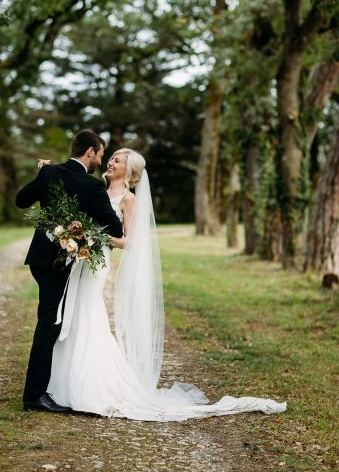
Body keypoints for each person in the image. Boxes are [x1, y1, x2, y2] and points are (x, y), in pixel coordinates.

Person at [46, 148, 287, 421]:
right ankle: (63, 382)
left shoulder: (129, 199)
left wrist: (92, 235)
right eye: (111, 158)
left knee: (89, 312)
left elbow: (128, 242)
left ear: (130, 171)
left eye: (117, 160)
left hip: (98, 262)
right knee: (72, 311)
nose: (110, 162)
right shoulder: (96, 189)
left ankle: (94, 384)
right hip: (80, 260)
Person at [15, 130, 123, 413]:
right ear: (90, 152)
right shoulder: (91, 186)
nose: (101, 159)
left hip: (39, 259)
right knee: (49, 323)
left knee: (51, 321)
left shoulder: (48, 173)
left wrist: (40, 175)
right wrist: (85, 226)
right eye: (100, 154)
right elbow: (115, 228)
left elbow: (21, 200)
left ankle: (45, 386)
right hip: (59, 263)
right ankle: (34, 395)